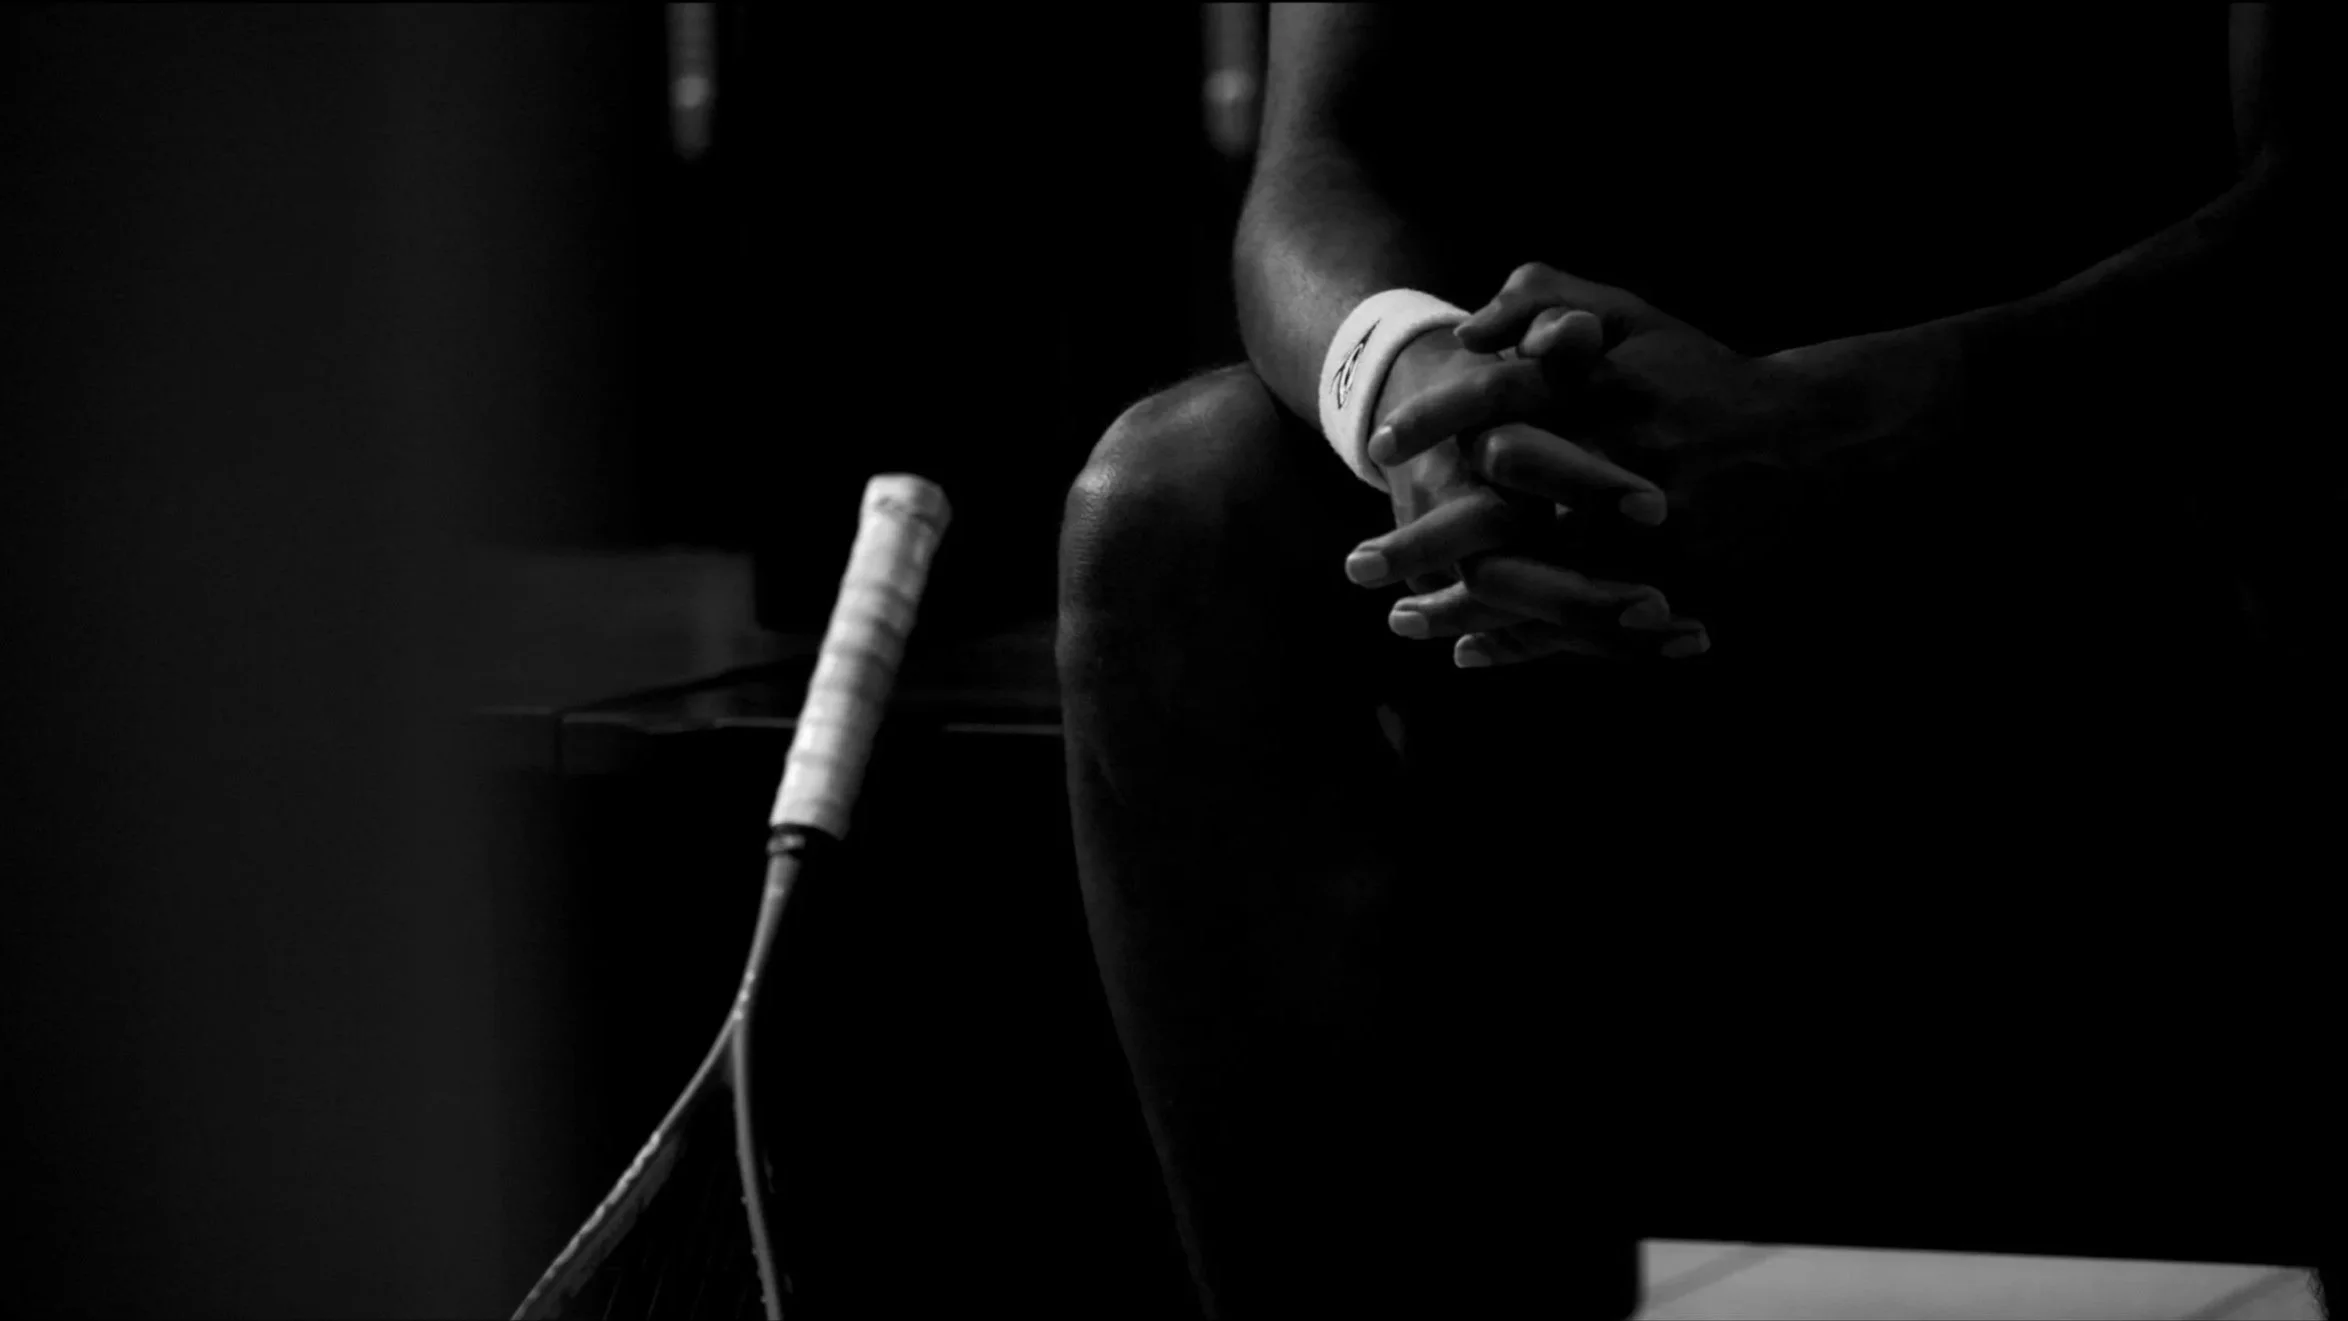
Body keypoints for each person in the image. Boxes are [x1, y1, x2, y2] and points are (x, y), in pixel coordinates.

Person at [1057, 7, 2337, 1317]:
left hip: (2090, 468)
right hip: (1590, 475)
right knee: (1173, 500)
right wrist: (1424, 402)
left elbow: (2327, 208)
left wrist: (1860, 418)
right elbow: (1321, 165)